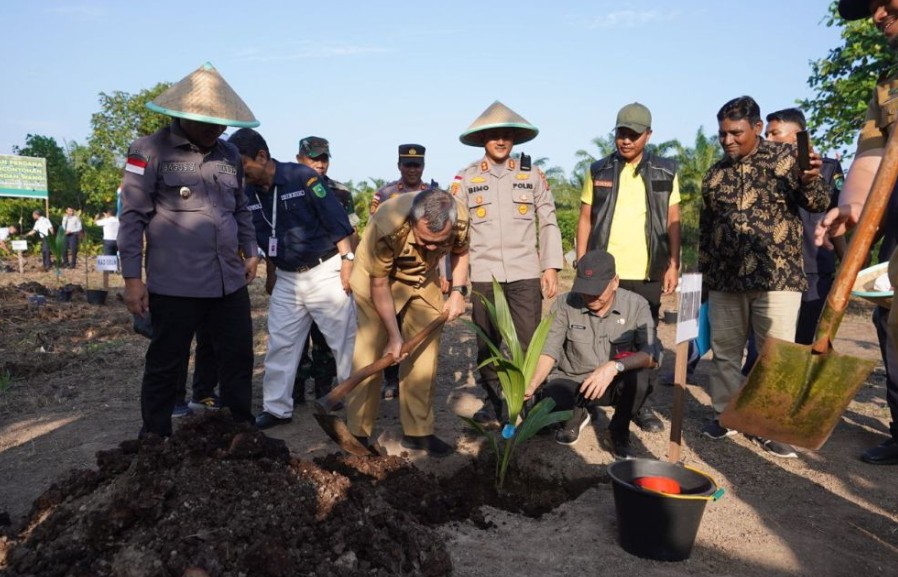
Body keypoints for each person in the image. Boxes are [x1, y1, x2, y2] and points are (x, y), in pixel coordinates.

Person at [118, 62, 259, 437]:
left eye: (222, 123)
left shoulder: (229, 155)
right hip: (175, 283)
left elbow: (241, 208)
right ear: (183, 113)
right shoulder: (147, 150)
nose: (217, 130)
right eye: (208, 122)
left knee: (238, 357)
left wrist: (251, 250)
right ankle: (154, 437)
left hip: (228, 280)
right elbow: (132, 218)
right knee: (167, 362)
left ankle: (241, 434)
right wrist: (132, 280)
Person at [699, 95, 828, 458]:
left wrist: (811, 179)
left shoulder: (786, 160)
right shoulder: (715, 175)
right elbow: (706, 231)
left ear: (757, 128)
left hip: (777, 279)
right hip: (726, 281)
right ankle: (725, 414)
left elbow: (818, 202)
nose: (727, 140)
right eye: (722, 134)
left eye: (736, 133)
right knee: (725, 354)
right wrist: (703, 279)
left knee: (776, 356)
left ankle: (769, 426)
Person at [228, 127, 356, 430]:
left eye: (244, 165)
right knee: (281, 343)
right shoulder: (247, 192)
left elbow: (337, 222)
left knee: (344, 342)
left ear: (262, 156)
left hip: (325, 271)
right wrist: (262, 266)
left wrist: (348, 263)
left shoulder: (302, 177)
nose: (241, 173)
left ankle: (357, 405)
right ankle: (276, 408)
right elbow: (256, 234)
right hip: (287, 277)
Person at [816, 0, 898, 465]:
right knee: (892, 320)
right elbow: (870, 157)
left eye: (885, 1)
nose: (878, 15)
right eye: (871, 8)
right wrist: (850, 207)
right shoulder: (888, 88)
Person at [452, 101, 563, 427]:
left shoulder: (532, 175)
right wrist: (455, 280)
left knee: (528, 343)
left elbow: (549, 222)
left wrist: (550, 267)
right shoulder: (467, 179)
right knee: (487, 344)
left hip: (524, 273)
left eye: (506, 135)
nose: (500, 141)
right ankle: (494, 401)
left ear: (514, 139)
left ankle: (528, 405)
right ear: (482, 139)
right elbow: (457, 233)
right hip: (484, 275)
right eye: (493, 135)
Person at [575, 102, 680, 435]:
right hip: (605, 273)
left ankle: (639, 403)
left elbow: (673, 219)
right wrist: (581, 260)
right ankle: (591, 396)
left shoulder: (666, 171)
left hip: (648, 271)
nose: (626, 140)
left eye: (634, 135)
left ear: (648, 135)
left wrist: (674, 263)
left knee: (644, 340)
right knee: (597, 334)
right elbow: (585, 218)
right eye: (621, 133)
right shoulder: (599, 170)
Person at [346, 187, 469, 457]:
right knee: (370, 351)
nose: (432, 247)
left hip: (423, 277)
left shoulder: (460, 218)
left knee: (424, 355)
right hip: (376, 279)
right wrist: (394, 337)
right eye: (425, 240)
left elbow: (460, 252)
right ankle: (357, 433)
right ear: (414, 221)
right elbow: (379, 284)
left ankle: (418, 432)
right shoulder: (387, 225)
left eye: (439, 242)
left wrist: (458, 292)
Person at [526, 250, 660, 459]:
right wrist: (533, 383)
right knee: (553, 395)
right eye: (584, 289)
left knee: (641, 378)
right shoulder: (565, 304)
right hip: (573, 382)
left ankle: (618, 432)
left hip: (613, 382)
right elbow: (549, 350)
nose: (590, 297)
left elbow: (651, 353)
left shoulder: (636, 305)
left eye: (597, 290)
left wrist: (614, 366)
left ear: (615, 282)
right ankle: (575, 416)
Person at [293, 136, 359, 404]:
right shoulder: (286, 188)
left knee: (327, 335)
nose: (320, 164)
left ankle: (325, 389)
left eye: (324, 158)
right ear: (300, 159)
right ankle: (295, 391)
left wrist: (350, 265)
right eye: (314, 158)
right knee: (295, 338)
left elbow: (352, 231)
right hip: (295, 272)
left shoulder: (340, 192)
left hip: (331, 268)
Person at [371, 144, 433, 400]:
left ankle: (415, 381)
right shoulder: (385, 194)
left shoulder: (433, 194)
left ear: (423, 166)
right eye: (408, 165)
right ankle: (391, 378)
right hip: (391, 272)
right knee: (391, 326)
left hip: (424, 271)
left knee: (418, 326)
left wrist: (447, 276)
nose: (412, 170)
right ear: (399, 166)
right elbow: (374, 232)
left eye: (417, 165)